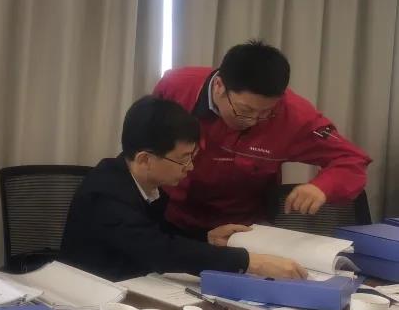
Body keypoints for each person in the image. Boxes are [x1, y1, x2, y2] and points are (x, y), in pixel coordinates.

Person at [60, 96, 307, 282]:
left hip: (133, 283)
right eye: (183, 159)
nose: (190, 167)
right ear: (145, 159)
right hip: (92, 295)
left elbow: (160, 234)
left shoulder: (146, 183)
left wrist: (207, 237)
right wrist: (250, 262)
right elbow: (159, 250)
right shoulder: (105, 194)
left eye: (192, 156)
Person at [153, 40, 371, 239]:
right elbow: (146, 141)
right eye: (244, 110)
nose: (253, 121)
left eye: (266, 112)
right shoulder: (176, 87)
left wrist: (322, 187)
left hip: (240, 230)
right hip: (169, 216)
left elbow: (351, 160)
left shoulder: (294, 116)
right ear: (219, 86)